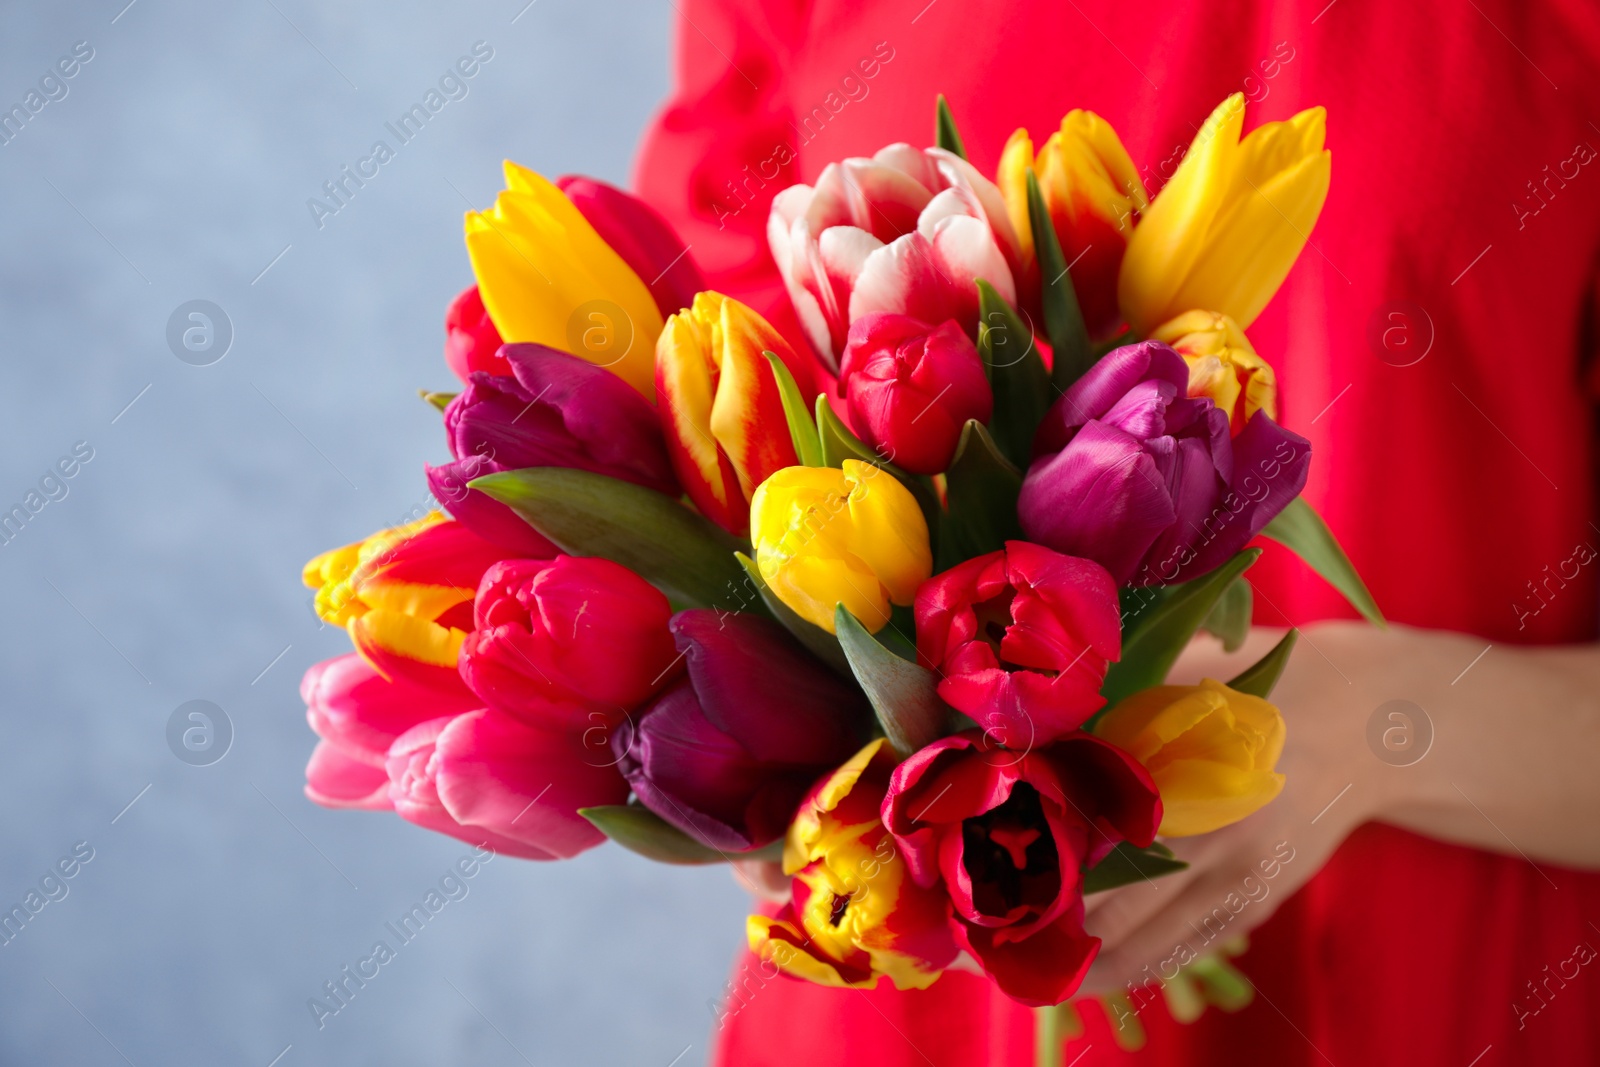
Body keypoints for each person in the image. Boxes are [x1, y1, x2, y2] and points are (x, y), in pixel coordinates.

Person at [632, 0, 1600, 1062]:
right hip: (909, 1004)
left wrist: (1371, 726)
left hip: (1418, 992)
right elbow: (708, 448)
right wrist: (761, 730)